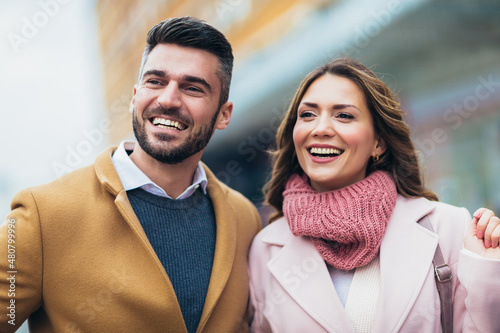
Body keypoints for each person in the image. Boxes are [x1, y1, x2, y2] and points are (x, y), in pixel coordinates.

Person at [0, 17, 261, 333]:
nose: (167, 99)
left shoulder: (244, 218)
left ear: (223, 114)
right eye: (155, 81)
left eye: (192, 88)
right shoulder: (42, 215)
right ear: (135, 96)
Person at [248, 58, 500, 332]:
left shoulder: (449, 228)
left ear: (378, 142)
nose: (319, 128)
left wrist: (489, 270)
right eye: (307, 114)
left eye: (343, 115)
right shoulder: (265, 250)